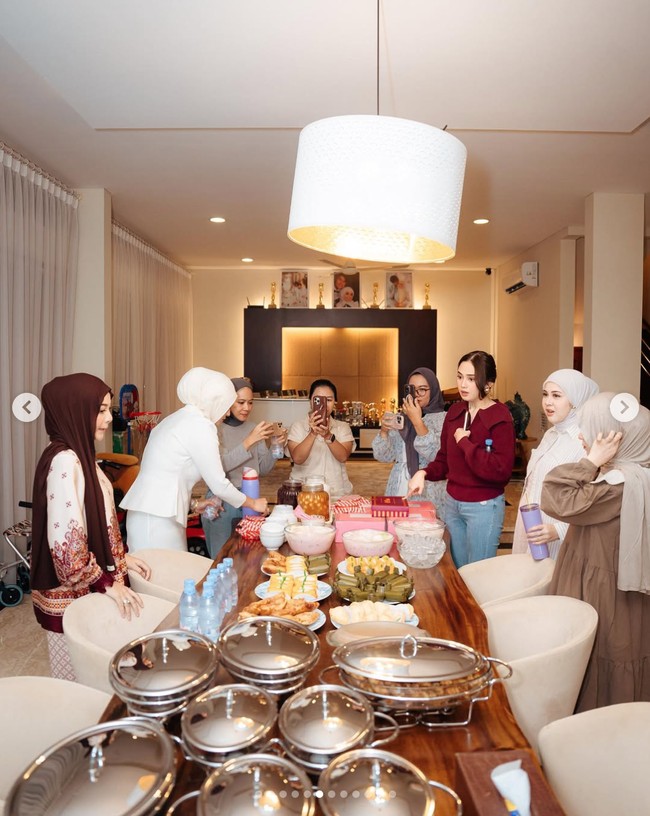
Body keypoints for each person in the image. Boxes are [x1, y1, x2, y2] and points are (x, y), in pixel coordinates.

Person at [30, 373, 152, 680]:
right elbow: (67, 548)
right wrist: (107, 583)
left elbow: (94, 521)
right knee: (80, 682)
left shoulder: (79, 456)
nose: (107, 419)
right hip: (74, 598)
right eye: (99, 410)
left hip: (90, 588)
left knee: (103, 676)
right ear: (75, 410)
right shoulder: (65, 462)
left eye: (107, 410)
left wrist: (122, 557)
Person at [541, 392, 650, 711]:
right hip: (615, 590)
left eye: (593, 430)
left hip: (603, 594)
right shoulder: (637, 475)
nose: (581, 436)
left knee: (602, 658)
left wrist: (591, 461)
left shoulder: (617, 484)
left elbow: (554, 496)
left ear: (615, 440)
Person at [121, 368, 268, 552]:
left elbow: (168, 474)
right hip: (157, 519)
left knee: (167, 575)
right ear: (215, 401)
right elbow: (219, 484)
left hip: (153, 514)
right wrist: (253, 503)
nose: (227, 414)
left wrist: (193, 504)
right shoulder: (201, 426)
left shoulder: (175, 419)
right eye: (226, 405)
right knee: (165, 576)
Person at [407, 350, 515, 567]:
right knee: (457, 572)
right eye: (460, 376)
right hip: (452, 504)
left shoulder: (500, 417)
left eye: (471, 379)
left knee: (479, 576)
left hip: (483, 507)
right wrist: (423, 472)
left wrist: (465, 443)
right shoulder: (455, 413)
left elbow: (500, 472)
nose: (463, 384)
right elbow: (444, 461)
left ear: (488, 383)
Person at [512, 369, 599, 559]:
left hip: (556, 533)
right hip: (532, 524)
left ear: (575, 401)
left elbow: (590, 500)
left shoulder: (583, 441)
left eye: (556, 395)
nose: (548, 402)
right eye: (545, 394)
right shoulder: (551, 434)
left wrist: (558, 530)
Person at [202, 378, 287, 557]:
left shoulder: (253, 428)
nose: (246, 408)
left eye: (250, 403)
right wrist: (249, 441)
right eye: (240, 403)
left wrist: (274, 446)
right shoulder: (215, 429)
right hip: (221, 503)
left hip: (251, 498)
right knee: (221, 558)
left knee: (250, 556)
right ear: (227, 402)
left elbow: (262, 469)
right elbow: (219, 467)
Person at [372, 367, 447, 519]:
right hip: (399, 484)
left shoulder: (443, 419)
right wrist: (384, 431)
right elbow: (383, 456)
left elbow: (436, 455)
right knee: (395, 530)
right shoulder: (401, 418)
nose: (416, 395)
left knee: (423, 532)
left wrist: (417, 421)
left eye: (423, 389)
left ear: (433, 390)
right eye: (412, 390)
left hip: (427, 486)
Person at [287, 378, 355, 501]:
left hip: (336, 492)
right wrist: (313, 433)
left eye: (329, 400)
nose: (324, 404)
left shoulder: (342, 427)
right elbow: (297, 458)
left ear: (335, 402)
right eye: (318, 400)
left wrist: (328, 435)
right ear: (310, 401)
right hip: (304, 492)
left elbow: (343, 456)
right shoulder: (298, 426)